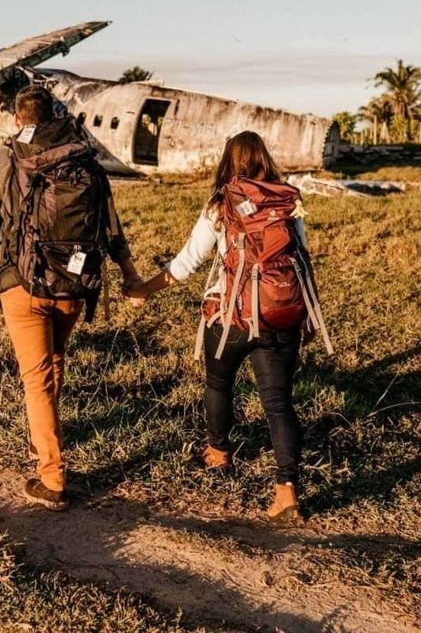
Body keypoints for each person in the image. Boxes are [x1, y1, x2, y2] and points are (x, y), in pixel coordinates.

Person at [126, 131, 326, 523]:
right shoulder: (289, 201)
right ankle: (287, 492)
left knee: (219, 385)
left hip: (230, 317)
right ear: (265, 159)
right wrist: (308, 316)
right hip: (279, 314)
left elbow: (185, 263)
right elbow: (301, 258)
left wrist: (144, 290)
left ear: (228, 163)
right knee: (279, 404)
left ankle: (218, 453)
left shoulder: (219, 205)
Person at [0, 84, 142, 511]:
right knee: (53, 365)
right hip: (72, 284)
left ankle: (52, 476)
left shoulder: (6, 159)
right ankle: (45, 441)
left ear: (16, 119)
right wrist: (130, 274)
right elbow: (111, 226)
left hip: (21, 284)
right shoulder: (84, 160)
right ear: (56, 114)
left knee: (36, 380)